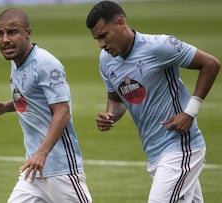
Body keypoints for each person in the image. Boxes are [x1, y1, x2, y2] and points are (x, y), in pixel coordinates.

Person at [86, 1, 220, 202]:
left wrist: (189, 112)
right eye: (97, 39)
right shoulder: (106, 61)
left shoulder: (159, 46)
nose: (102, 45)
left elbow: (210, 64)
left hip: (180, 147)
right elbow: (116, 101)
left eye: (104, 36)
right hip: (154, 152)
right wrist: (110, 115)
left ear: (121, 23)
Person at [0, 8, 92, 203]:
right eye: (0, 34)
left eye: (12, 32)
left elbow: (62, 112)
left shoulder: (45, 63)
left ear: (27, 33)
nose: (5, 39)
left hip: (60, 169)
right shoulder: (16, 62)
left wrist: (41, 153)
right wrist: (5, 107)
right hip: (33, 172)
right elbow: (32, 98)